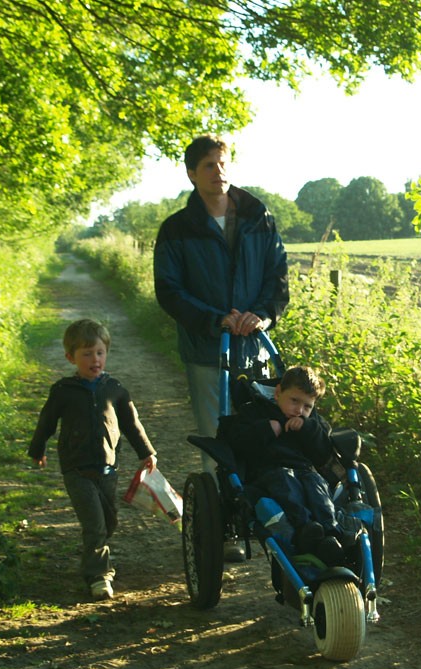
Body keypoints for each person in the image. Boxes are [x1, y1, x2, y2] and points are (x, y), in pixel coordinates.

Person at [154, 134, 289, 562]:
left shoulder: (258, 217)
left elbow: (277, 277)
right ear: (192, 174)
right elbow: (169, 291)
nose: (219, 171)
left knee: (267, 429)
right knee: (218, 435)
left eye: (224, 162)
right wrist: (215, 319)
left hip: (257, 349)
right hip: (207, 350)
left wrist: (262, 315)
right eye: (209, 165)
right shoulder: (177, 229)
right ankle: (226, 526)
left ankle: (272, 515)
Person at [28, 319, 157, 601]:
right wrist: (37, 449)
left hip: (108, 468)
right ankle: (99, 576)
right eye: (86, 354)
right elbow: (46, 422)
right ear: (70, 357)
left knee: (109, 523)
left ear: (106, 353)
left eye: (99, 352)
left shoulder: (115, 389)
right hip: (76, 470)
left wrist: (146, 451)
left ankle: (93, 556)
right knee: (95, 525)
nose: (94, 359)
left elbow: (132, 425)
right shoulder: (63, 391)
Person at [216, 365, 352, 567]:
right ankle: (305, 531)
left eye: (307, 406)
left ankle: (330, 532)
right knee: (286, 483)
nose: (299, 410)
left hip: (306, 472)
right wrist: (267, 429)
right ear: (278, 392)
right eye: (294, 401)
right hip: (268, 472)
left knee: (318, 488)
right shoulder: (254, 411)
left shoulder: (311, 421)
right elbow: (235, 442)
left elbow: (324, 453)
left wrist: (308, 429)